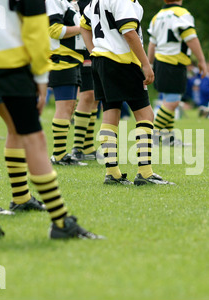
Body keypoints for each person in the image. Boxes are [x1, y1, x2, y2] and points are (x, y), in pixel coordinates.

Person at [0, 0, 102, 240]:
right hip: (10, 60)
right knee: (33, 137)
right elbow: (37, 32)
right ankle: (60, 221)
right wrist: (40, 77)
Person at [80, 0, 174, 185]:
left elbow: (84, 26)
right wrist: (146, 64)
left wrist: (95, 51)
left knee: (110, 114)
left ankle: (112, 173)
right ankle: (145, 173)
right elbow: (129, 33)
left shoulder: (95, 1)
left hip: (100, 61)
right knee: (145, 113)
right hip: (122, 61)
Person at [147, 0, 207, 147]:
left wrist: (149, 64)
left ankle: (168, 138)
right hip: (173, 62)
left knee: (169, 100)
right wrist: (201, 60)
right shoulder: (182, 14)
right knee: (172, 102)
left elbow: (152, 43)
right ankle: (152, 137)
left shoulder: (157, 16)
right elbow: (191, 38)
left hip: (160, 63)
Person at [46, 0, 87, 166]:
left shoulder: (64, 2)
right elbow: (54, 30)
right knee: (64, 108)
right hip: (61, 60)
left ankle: (61, 154)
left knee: (70, 107)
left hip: (72, 60)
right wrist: (82, 28)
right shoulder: (54, 1)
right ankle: (59, 155)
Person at [71, 0, 103, 161]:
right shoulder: (78, 3)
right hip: (83, 51)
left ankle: (88, 146)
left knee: (95, 98)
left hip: (98, 49)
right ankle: (77, 147)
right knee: (87, 95)